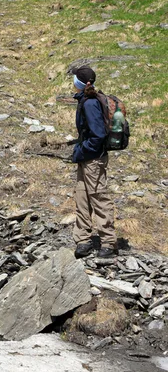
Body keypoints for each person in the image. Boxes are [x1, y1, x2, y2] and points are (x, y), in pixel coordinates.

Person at [72, 66, 118, 259]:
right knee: (81, 197)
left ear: (81, 83)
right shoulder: (85, 99)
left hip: (93, 159)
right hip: (86, 158)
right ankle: (83, 239)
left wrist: (81, 150)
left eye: (75, 78)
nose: (73, 81)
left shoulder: (90, 103)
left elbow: (98, 134)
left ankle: (108, 242)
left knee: (98, 198)